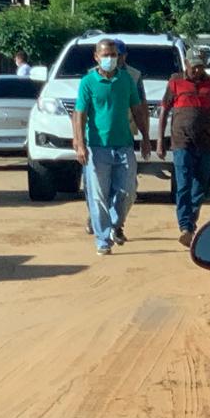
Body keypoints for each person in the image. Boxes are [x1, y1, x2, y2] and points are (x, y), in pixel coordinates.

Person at [73, 38, 151, 255]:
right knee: (98, 195)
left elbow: (137, 109)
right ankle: (103, 240)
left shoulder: (126, 80)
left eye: (114, 55)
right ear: (96, 57)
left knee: (128, 191)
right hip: (97, 148)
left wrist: (145, 137)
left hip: (124, 145)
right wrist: (79, 143)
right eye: (106, 55)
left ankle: (115, 222)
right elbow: (79, 113)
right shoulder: (88, 82)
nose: (110, 59)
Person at [157, 49, 210, 247]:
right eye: (194, 65)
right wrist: (159, 141)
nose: (197, 69)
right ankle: (185, 226)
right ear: (186, 64)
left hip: (205, 143)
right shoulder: (175, 82)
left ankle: (190, 223)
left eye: (200, 65)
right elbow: (164, 112)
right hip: (181, 142)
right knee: (183, 185)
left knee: (201, 188)